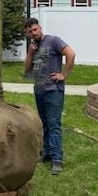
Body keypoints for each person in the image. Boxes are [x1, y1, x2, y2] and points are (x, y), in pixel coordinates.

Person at [24, 17, 76, 175]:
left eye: (35, 29)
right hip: (39, 91)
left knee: (54, 124)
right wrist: (30, 53)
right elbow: (27, 70)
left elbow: (71, 54)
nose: (33, 33)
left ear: (39, 27)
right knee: (44, 123)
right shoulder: (33, 46)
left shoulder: (53, 41)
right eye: (30, 32)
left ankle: (57, 160)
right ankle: (46, 154)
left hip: (53, 91)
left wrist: (63, 74)